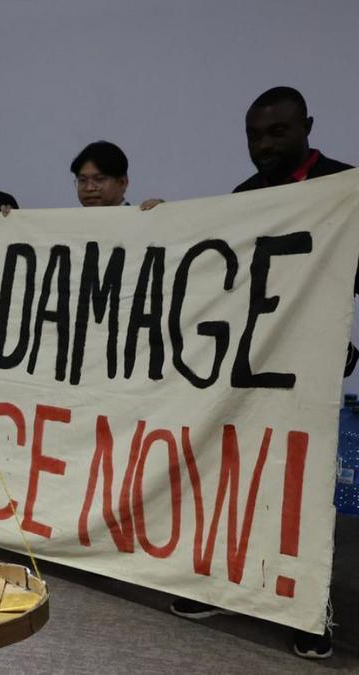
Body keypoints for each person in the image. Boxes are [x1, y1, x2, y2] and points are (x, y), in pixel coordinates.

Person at [169, 86, 352, 661]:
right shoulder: (244, 198)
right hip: (250, 366)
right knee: (241, 476)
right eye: (254, 134)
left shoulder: (343, 190)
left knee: (303, 487)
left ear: (307, 127)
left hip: (312, 370)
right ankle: (230, 587)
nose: (264, 144)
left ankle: (308, 608)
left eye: (277, 131)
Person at [70, 141, 164, 210]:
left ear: (122, 183)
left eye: (99, 179)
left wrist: (163, 211)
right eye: (82, 180)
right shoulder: (70, 227)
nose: (89, 188)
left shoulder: (145, 218)